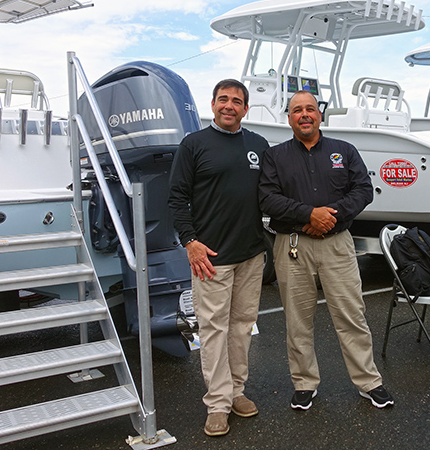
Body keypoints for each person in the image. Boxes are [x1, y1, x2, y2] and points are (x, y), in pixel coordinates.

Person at [259, 90, 394, 410]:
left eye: (310, 109)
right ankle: (304, 383)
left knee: (352, 315)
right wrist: (309, 216)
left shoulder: (344, 150)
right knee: (297, 320)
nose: (304, 115)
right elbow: (267, 198)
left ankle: (369, 381)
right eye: (296, 111)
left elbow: (363, 190)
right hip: (292, 246)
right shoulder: (274, 156)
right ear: (288, 118)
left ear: (319, 114)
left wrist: (328, 218)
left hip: (337, 244)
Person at [168, 79, 270, 437]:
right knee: (213, 330)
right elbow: (177, 198)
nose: (229, 106)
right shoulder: (194, 144)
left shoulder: (258, 145)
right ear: (212, 105)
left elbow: (270, 195)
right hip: (211, 257)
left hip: (251, 254)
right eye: (223, 99)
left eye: (237, 101)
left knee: (242, 327)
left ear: (245, 109)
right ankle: (217, 403)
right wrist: (190, 242)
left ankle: (237, 391)